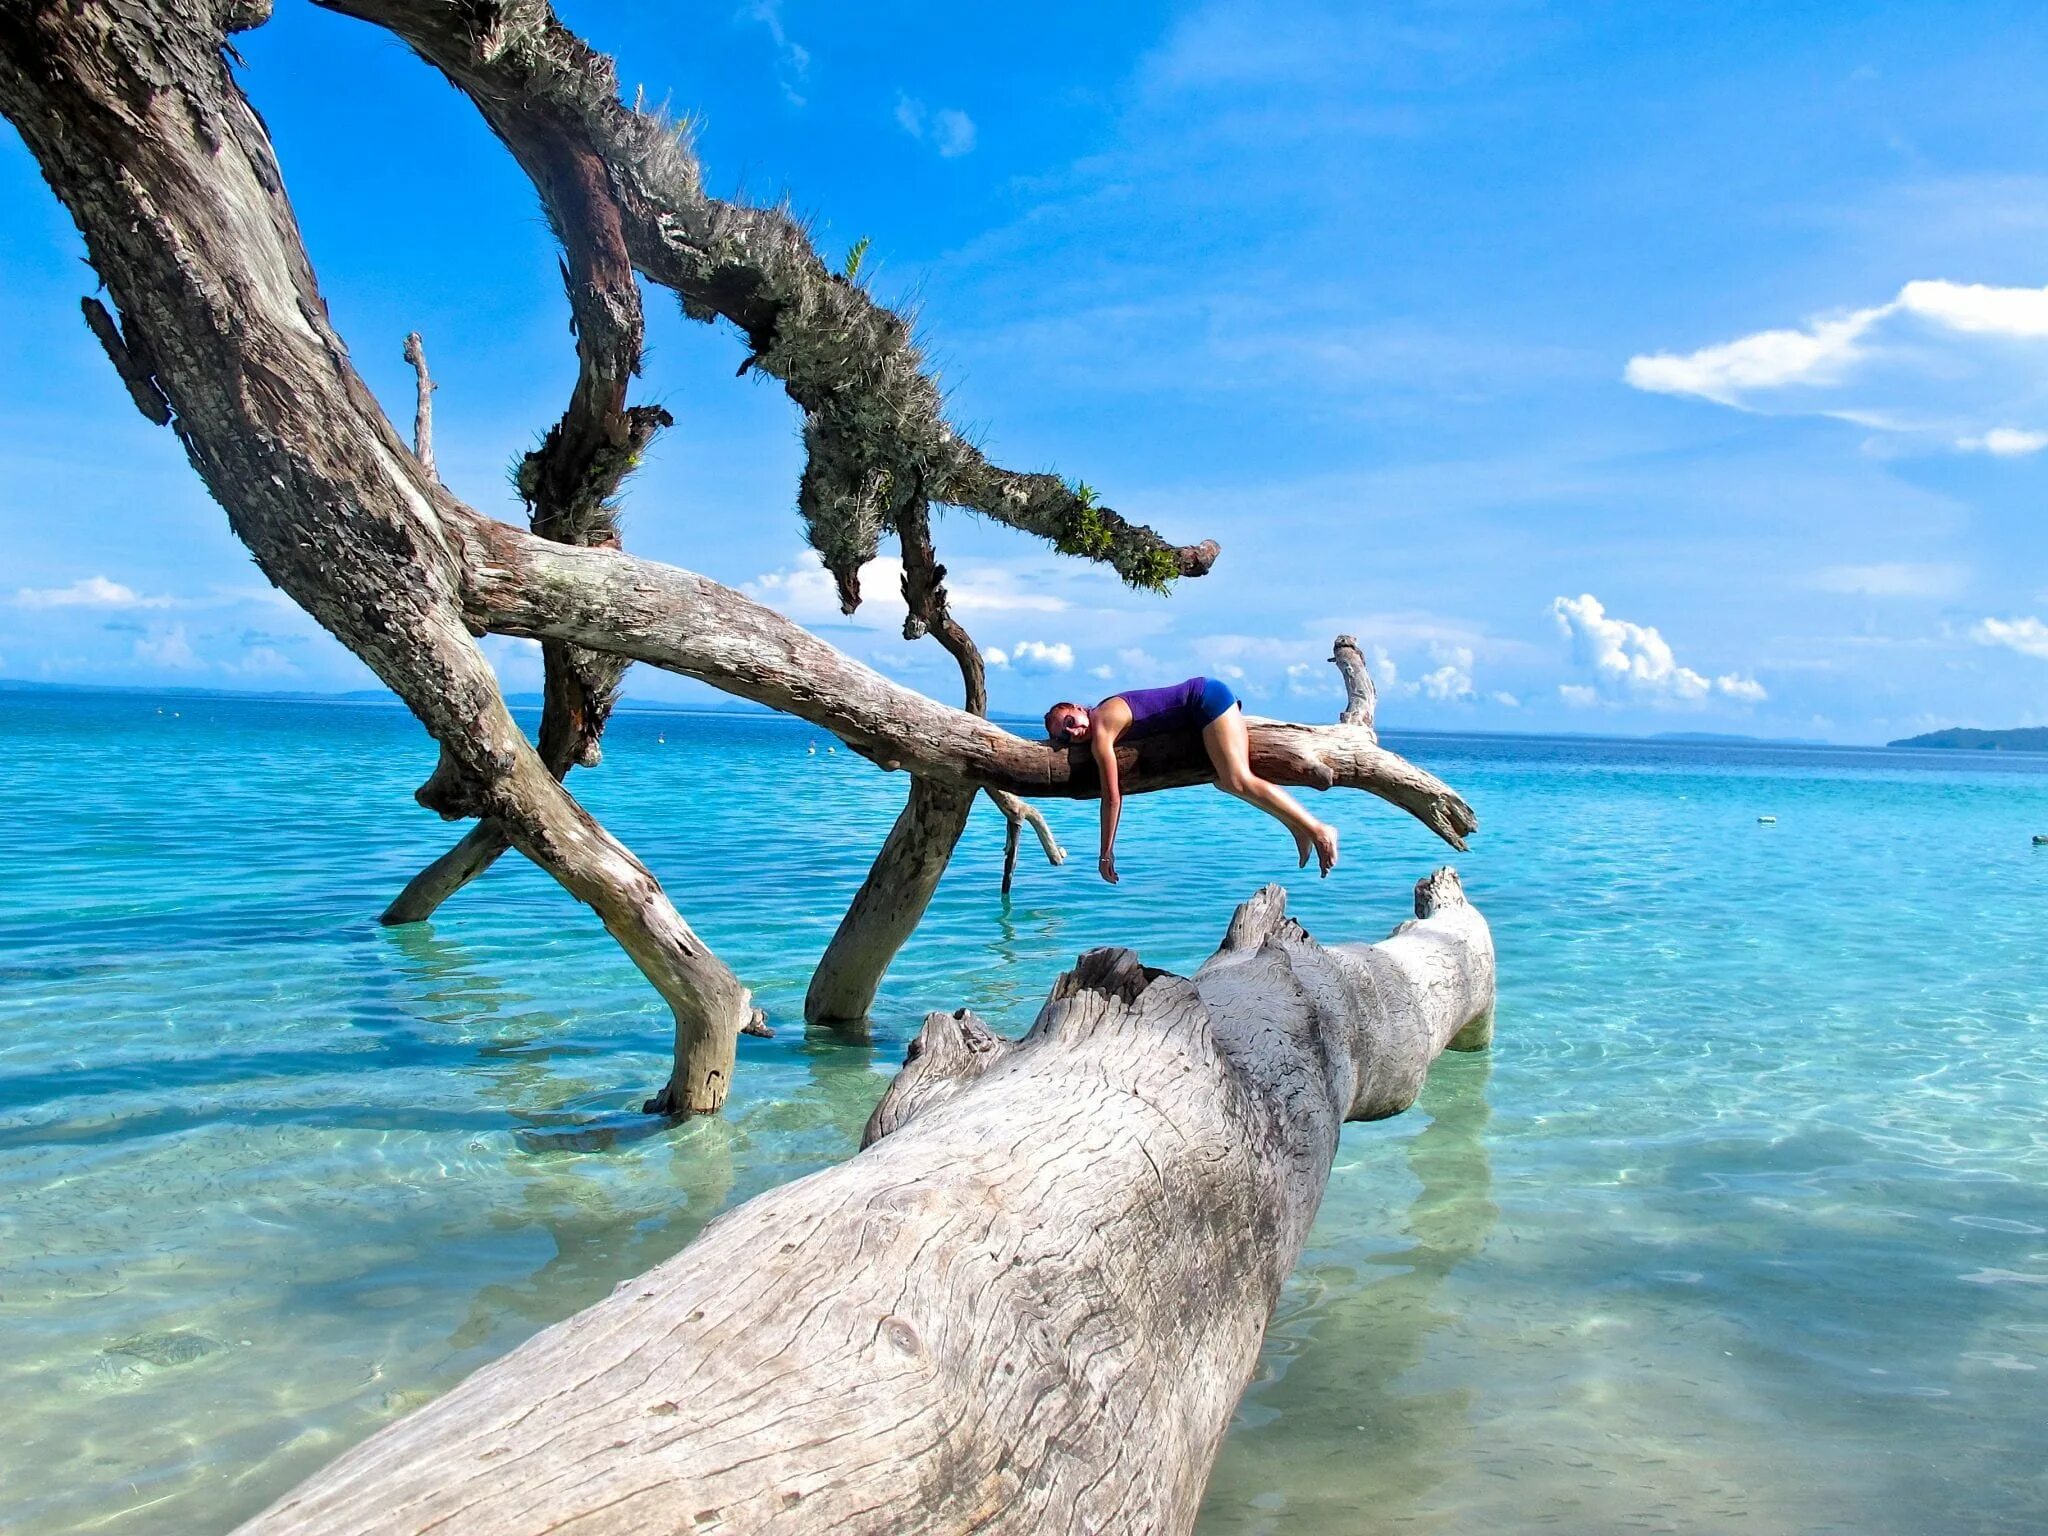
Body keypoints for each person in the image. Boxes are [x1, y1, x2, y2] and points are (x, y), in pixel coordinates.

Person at [1044, 676, 1339, 884]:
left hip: (1207, 699)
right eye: (1063, 736)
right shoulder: (1103, 711)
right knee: (1222, 781)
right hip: (1203, 703)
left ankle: (1320, 829)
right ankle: (1297, 827)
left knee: (1237, 778)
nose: (1072, 732)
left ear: (1080, 708)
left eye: (1070, 721)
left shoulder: (1102, 727)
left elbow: (1112, 797)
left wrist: (1105, 854)